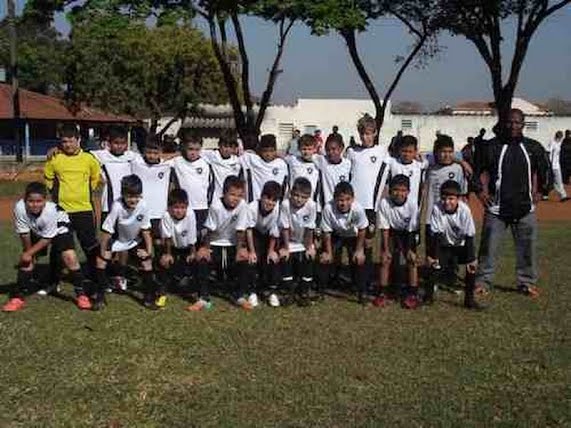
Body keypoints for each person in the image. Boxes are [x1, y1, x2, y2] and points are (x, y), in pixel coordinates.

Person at [474, 108, 552, 299]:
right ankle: (482, 282)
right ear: (504, 123)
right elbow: (475, 170)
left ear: (523, 124)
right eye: (509, 122)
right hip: (497, 209)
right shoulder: (491, 147)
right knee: (488, 249)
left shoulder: (533, 147)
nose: (513, 126)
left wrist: (542, 191)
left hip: (525, 209)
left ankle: (526, 283)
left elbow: (546, 171)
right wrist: (480, 192)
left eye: (517, 122)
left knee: (527, 249)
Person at [3, 182, 90, 312]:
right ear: (25, 199)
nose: (34, 204)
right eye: (30, 201)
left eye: (39, 201)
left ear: (45, 200)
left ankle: (81, 295)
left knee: (70, 257)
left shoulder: (51, 211)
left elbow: (47, 238)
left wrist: (29, 253)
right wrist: (28, 253)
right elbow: (24, 233)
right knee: (28, 259)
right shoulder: (19, 208)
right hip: (39, 229)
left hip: (60, 228)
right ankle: (18, 297)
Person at [44, 123, 101, 289]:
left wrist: (84, 192)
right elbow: (48, 177)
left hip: (83, 209)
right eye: (64, 142)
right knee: (58, 247)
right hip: (61, 210)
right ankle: (54, 281)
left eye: (70, 141)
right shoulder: (55, 158)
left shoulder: (89, 159)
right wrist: (55, 193)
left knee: (90, 245)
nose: (67, 145)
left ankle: (95, 276)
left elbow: (95, 178)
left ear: (79, 140)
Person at [94, 175, 156, 311]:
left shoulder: (143, 205)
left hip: (133, 240)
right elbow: (106, 231)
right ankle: (100, 296)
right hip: (116, 239)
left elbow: (146, 230)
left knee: (147, 262)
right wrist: (103, 251)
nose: (133, 200)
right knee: (101, 262)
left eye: (136, 196)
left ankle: (148, 298)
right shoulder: (117, 206)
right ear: (123, 195)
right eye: (129, 196)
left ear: (140, 195)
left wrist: (149, 251)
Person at [191, 176, 252, 311]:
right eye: (232, 194)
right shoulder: (216, 206)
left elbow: (240, 230)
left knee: (244, 259)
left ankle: (240, 296)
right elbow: (210, 230)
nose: (235, 198)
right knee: (202, 259)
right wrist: (205, 248)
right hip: (215, 242)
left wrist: (240, 249)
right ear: (224, 193)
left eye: (239, 195)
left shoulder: (243, 206)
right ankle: (203, 297)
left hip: (232, 243)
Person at [345, 113, 389, 286]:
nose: (366, 137)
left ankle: (367, 279)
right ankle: (354, 278)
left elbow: (400, 160)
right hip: (353, 205)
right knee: (353, 241)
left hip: (371, 206)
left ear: (375, 133)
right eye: (363, 133)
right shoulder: (351, 152)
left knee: (368, 242)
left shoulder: (382, 151)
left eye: (369, 133)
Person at [426, 180, 478, 309]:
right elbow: (436, 235)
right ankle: (428, 296)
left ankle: (469, 300)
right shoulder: (437, 208)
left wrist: (471, 259)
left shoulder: (465, 210)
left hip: (461, 246)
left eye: (451, 199)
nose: (447, 202)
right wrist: (434, 256)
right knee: (433, 263)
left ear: (458, 199)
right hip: (444, 245)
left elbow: (469, 235)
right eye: (444, 198)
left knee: (471, 268)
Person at [318, 182, 369, 304]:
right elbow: (327, 232)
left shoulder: (358, 209)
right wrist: (329, 253)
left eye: (347, 199)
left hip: (353, 235)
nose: (344, 203)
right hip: (337, 234)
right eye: (340, 200)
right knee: (324, 258)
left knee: (359, 260)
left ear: (353, 199)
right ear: (335, 199)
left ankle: (362, 291)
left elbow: (362, 229)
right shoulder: (328, 208)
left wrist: (359, 250)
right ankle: (321, 290)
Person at [375, 175, 420, 309]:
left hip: (408, 233)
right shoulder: (384, 203)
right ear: (390, 191)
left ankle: (413, 293)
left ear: (408, 192)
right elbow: (385, 228)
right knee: (385, 260)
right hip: (392, 232)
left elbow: (413, 229)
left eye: (403, 190)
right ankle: (383, 293)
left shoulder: (412, 204)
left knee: (411, 260)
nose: (399, 193)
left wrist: (411, 249)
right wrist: (386, 249)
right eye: (395, 190)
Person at [424, 135, 468, 257]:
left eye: (450, 152)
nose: (447, 155)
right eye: (443, 152)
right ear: (436, 153)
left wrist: (461, 162)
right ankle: (432, 271)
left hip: (451, 216)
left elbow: (462, 194)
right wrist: (462, 161)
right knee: (432, 249)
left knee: (451, 247)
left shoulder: (458, 169)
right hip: (432, 216)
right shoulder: (430, 167)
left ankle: (450, 272)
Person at [131, 137, 176, 254]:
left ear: (161, 152)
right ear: (144, 151)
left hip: (159, 212)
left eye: (155, 153)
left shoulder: (167, 165)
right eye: (149, 152)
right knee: (140, 243)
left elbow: (179, 155)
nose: (151, 156)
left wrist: (167, 155)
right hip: (141, 211)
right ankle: (144, 267)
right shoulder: (136, 162)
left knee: (159, 242)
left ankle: (159, 267)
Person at [278, 177, 318, 306]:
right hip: (289, 240)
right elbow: (285, 227)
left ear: (308, 197)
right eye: (296, 195)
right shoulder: (285, 204)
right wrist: (286, 247)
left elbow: (310, 228)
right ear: (291, 193)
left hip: (303, 240)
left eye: (303, 197)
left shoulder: (312, 205)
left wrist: (309, 247)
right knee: (286, 258)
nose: (299, 199)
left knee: (308, 258)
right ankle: (288, 291)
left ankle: (304, 291)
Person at [92, 125, 142, 222]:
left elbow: (153, 157)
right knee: (108, 233)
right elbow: (82, 154)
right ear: (109, 143)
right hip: (108, 204)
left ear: (127, 144)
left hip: (127, 203)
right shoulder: (101, 155)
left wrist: (176, 155)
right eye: (116, 143)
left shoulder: (131, 156)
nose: (119, 146)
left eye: (123, 143)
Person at [245, 181, 282, 307]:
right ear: (261, 196)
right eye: (267, 198)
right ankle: (252, 291)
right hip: (253, 234)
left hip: (268, 236)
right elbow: (248, 230)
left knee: (273, 258)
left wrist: (271, 251)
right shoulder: (251, 207)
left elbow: (274, 232)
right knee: (253, 259)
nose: (269, 203)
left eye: (273, 200)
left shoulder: (277, 210)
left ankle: (272, 291)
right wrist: (251, 251)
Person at [172, 129, 214, 240]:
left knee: (200, 237)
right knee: (185, 238)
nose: (193, 152)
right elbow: (161, 159)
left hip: (202, 207)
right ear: (184, 147)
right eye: (190, 149)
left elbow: (211, 186)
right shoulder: (177, 162)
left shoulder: (206, 163)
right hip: (184, 208)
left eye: (197, 149)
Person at [158, 189, 197, 307]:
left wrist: (192, 253)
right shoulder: (166, 216)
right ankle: (162, 293)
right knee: (164, 262)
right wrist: (168, 254)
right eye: (176, 207)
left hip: (187, 247)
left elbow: (192, 236)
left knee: (197, 262)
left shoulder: (190, 214)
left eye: (182, 207)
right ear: (170, 207)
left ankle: (199, 294)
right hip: (173, 247)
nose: (179, 211)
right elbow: (167, 237)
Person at [378, 135, 428, 211]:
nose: (407, 154)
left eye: (410, 151)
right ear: (399, 150)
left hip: (412, 209)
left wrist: (422, 157)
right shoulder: (392, 163)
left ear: (415, 152)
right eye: (404, 151)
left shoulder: (420, 166)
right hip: (393, 208)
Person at [241, 134, 289, 202]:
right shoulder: (252, 160)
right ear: (260, 150)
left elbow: (284, 187)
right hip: (255, 204)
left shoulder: (281, 164)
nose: (268, 154)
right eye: (265, 151)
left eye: (271, 151)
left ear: (275, 150)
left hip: (273, 205)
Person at [201, 132, 243, 200]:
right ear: (219, 145)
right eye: (225, 146)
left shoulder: (237, 161)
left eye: (230, 147)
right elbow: (197, 151)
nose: (227, 150)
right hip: (216, 199)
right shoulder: (213, 156)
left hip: (231, 199)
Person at [315, 133, 352, 208]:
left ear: (341, 148)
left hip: (342, 207)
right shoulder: (322, 161)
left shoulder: (347, 164)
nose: (330, 152)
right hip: (325, 207)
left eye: (334, 149)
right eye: (328, 150)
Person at [285, 134, 320, 202]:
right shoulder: (293, 160)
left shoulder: (318, 161)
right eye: (304, 149)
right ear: (299, 148)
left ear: (314, 149)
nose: (306, 152)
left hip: (310, 201)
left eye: (309, 149)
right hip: (294, 200)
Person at [550, 131, 569, 202]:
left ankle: (563, 195)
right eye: (561, 137)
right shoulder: (553, 143)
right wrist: (550, 165)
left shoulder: (559, 143)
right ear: (559, 137)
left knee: (559, 181)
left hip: (557, 165)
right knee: (554, 182)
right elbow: (550, 154)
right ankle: (562, 195)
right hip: (553, 165)